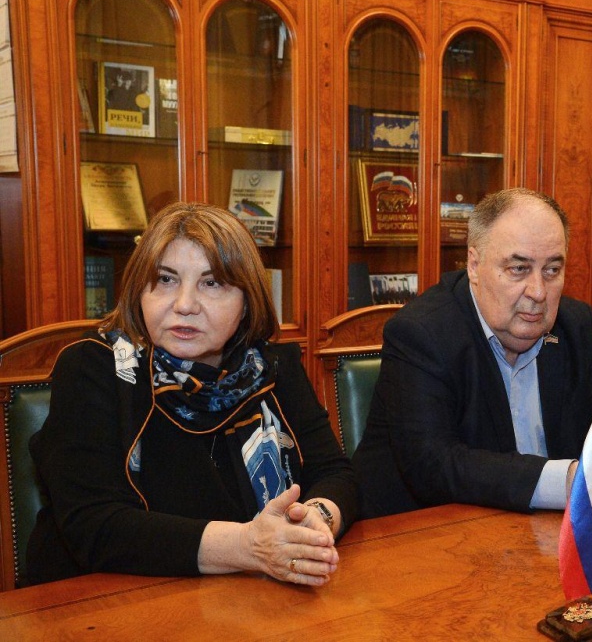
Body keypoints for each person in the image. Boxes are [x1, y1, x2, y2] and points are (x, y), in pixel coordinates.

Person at [27, 203, 358, 587]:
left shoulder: (270, 367)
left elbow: (336, 474)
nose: (184, 305)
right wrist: (248, 545)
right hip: (105, 600)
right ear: (138, 291)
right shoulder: (95, 368)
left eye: (212, 283)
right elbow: (94, 525)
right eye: (166, 279)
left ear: (247, 302)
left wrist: (315, 519)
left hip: (248, 597)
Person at [352, 188, 592, 519]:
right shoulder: (421, 333)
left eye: (552, 270)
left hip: (546, 531)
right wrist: (574, 481)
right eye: (519, 268)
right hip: (422, 532)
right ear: (474, 265)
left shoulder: (573, 324)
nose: (538, 292)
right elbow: (435, 465)